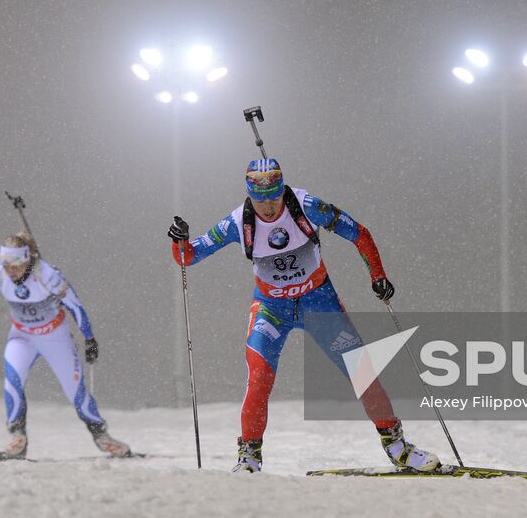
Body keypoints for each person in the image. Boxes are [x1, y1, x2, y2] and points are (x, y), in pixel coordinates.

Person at [167, 157, 439, 473]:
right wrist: (180, 240)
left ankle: (398, 447)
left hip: (318, 302)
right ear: (249, 195)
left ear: (283, 189)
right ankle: (249, 458)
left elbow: (360, 233)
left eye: (274, 196)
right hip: (272, 309)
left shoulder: (308, 206)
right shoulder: (237, 223)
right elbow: (189, 257)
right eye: (260, 199)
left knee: (362, 371)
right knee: (259, 379)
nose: (268, 206)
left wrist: (377, 275)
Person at [0, 234, 131, 461]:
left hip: (55, 337)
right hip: (22, 336)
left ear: (27, 260)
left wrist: (89, 338)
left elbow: (75, 305)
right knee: (12, 379)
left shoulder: (47, 275)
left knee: (75, 391)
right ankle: (17, 439)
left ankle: (101, 436)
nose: (11, 271)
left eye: (16, 265)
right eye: (6, 265)